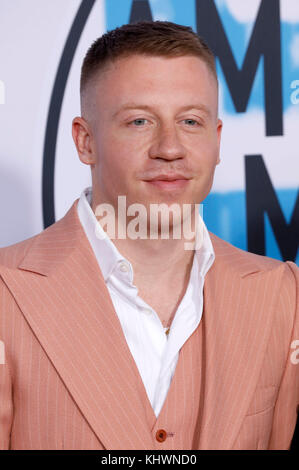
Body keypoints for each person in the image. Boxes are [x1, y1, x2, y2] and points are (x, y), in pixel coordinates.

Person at [0, 20, 298, 451]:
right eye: (140, 121)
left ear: (216, 141)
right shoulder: (7, 291)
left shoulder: (283, 296)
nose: (170, 147)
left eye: (191, 121)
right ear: (85, 142)